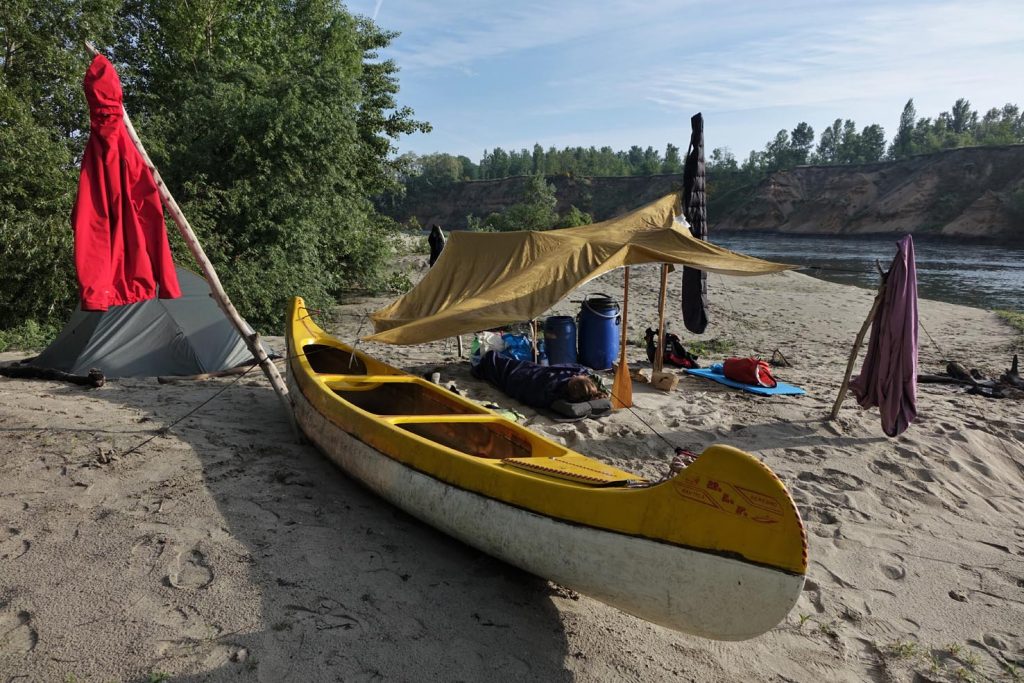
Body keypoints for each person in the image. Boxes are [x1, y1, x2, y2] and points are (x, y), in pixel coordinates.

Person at [471, 350, 606, 411]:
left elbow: (537, 385)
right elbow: (578, 370)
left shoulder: (554, 387)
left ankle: (485, 362)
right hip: (531, 373)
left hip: (519, 377)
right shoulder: (566, 387)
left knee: (494, 360)